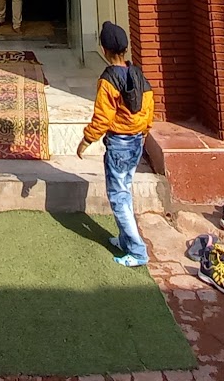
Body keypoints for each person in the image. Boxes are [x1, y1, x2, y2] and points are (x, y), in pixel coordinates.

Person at [77, 20, 155, 268]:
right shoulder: (138, 74)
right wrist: (145, 131)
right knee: (126, 188)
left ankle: (137, 251)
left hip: (119, 144)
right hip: (135, 142)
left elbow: (103, 116)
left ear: (103, 49)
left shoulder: (108, 80)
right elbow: (149, 108)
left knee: (119, 198)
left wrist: (87, 139)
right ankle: (124, 239)